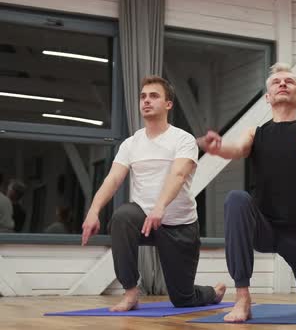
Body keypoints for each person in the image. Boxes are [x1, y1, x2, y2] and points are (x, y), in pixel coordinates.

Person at [197, 63, 296, 322]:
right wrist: (218, 148)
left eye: (290, 82)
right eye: (276, 82)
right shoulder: (255, 133)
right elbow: (236, 149)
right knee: (236, 199)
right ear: (268, 97)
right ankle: (242, 297)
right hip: (265, 227)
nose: (283, 84)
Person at [81, 75, 225, 312]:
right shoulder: (130, 144)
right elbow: (114, 178)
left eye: (154, 96)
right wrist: (93, 211)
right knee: (122, 217)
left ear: (168, 104)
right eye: (143, 96)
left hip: (179, 224)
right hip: (143, 220)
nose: (146, 101)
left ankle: (212, 292)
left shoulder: (183, 139)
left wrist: (160, 207)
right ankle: (130, 292)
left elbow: (178, 175)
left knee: (182, 298)